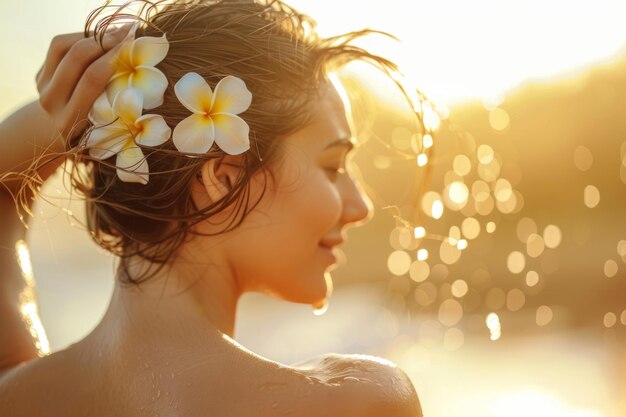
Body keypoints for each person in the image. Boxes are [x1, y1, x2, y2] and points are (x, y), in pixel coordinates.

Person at [0, 0, 423, 415]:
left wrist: (78, 112)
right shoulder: (356, 401)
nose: (361, 206)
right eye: (332, 167)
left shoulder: (16, 396)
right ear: (223, 178)